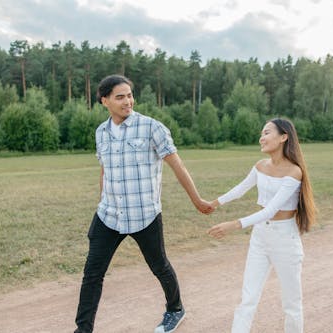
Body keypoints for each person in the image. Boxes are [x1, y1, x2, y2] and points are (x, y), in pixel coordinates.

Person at [74, 74, 213, 333]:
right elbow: (105, 170)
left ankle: (175, 309)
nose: (128, 101)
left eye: (129, 95)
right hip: (108, 215)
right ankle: (83, 330)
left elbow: (177, 165)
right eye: (120, 97)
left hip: (144, 215)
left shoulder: (152, 127)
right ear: (104, 101)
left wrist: (197, 200)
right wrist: (101, 199)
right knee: (92, 274)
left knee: (159, 265)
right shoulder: (101, 133)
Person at [207, 118, 316, 333]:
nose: (261, 138)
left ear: (284, 137)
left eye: (267, 133)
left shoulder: (294, 172)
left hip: (285, 239)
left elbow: (270, 210)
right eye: (262, 133)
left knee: (291, 304)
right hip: (260, 237)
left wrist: (234, 225)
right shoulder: (260, 165)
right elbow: (240, 189)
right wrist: (214, 203)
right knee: (247, 299)